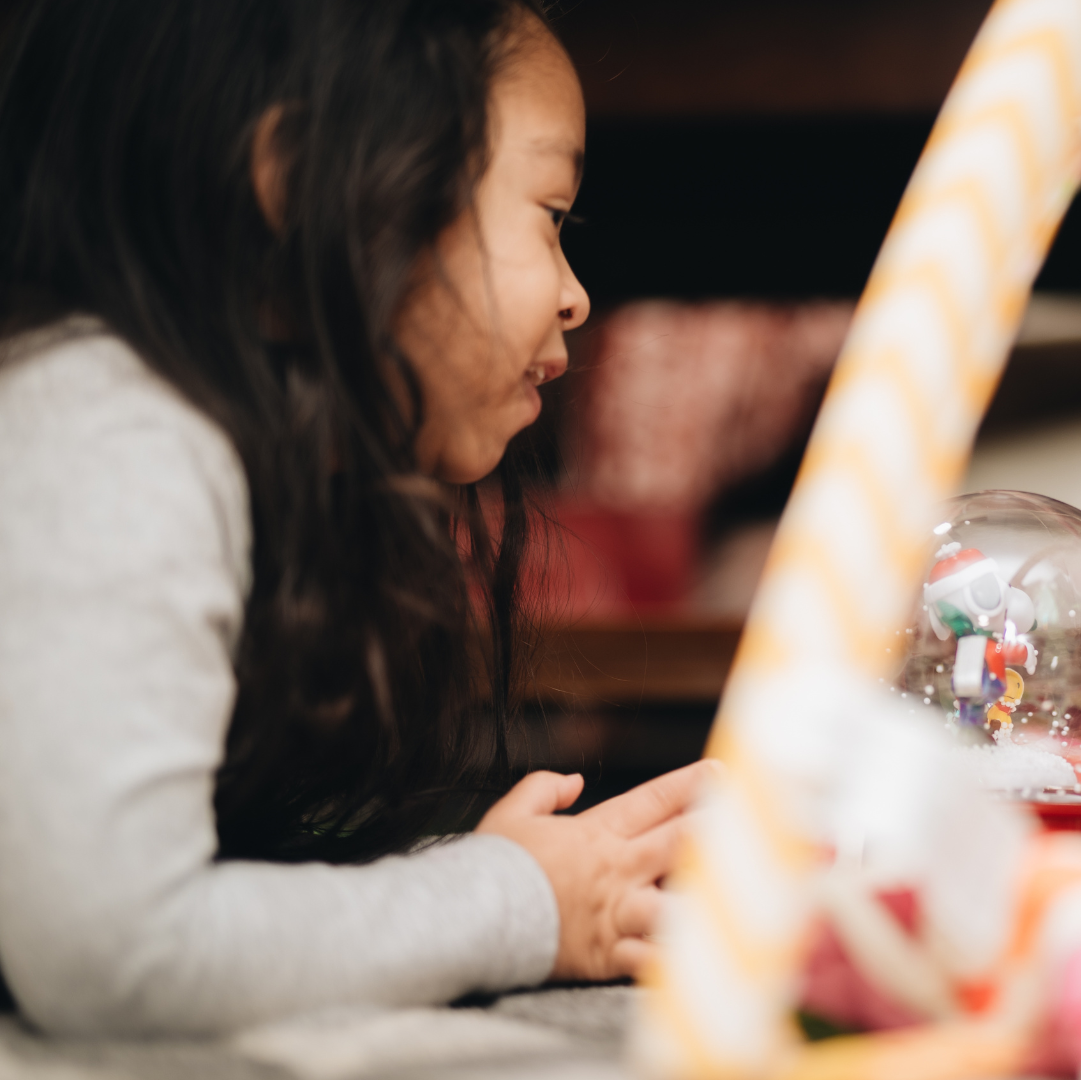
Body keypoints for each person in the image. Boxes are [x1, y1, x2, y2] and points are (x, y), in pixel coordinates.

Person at [0, 0, 712, 1035]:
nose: (577, 297)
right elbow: (120, 953)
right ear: (302, 191)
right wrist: (515, 904)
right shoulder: (112, 434)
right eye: (553, 217)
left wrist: (492, 879)